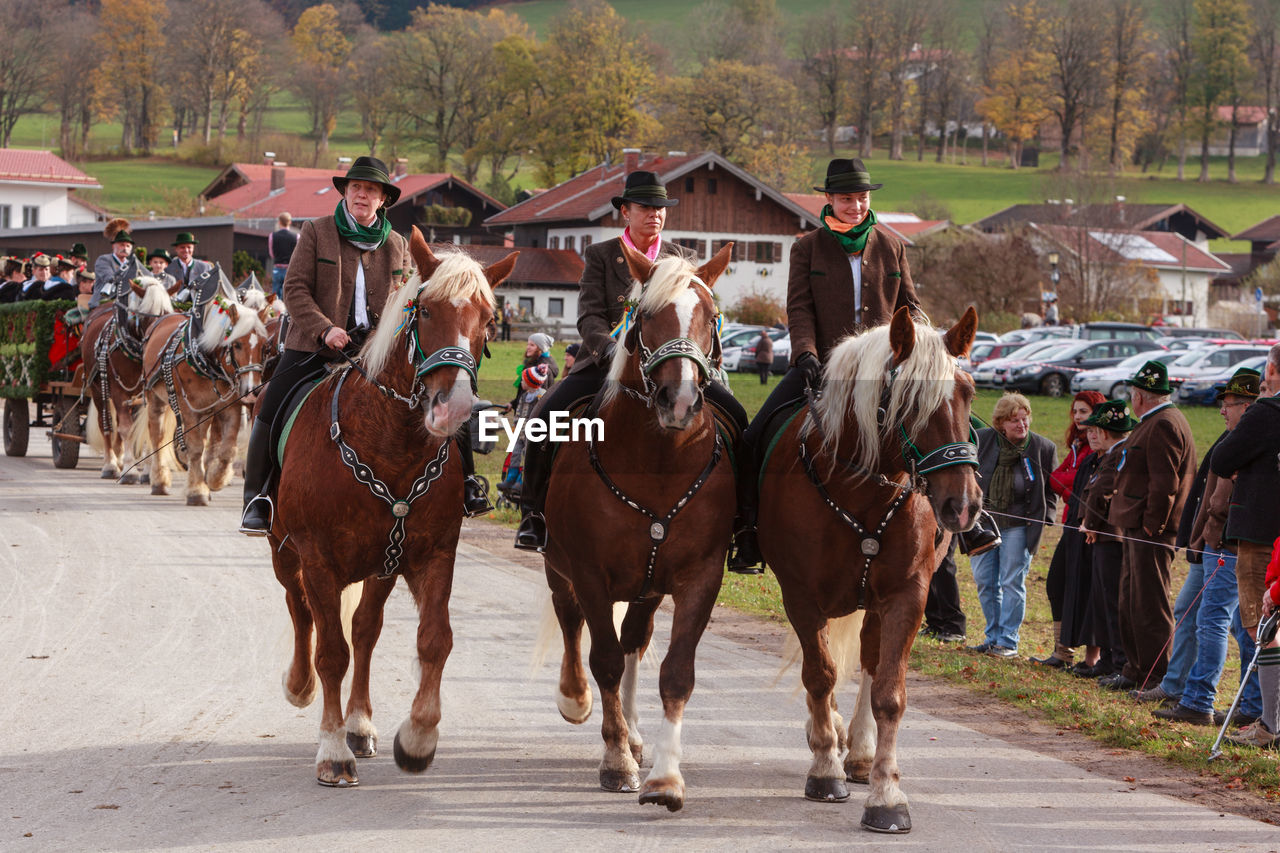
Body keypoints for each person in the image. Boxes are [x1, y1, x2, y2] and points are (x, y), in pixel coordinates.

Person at [513, 170, 748, 551]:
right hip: (608, 364)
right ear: (626, 212)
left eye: (660, 208)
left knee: (738, 419)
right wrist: (609, 350)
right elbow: (589, 315)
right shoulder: (601, 255)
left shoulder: (683, 258)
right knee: (545, 418)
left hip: (672, 365)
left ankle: (743, 523)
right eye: (645, 207)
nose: (654, 214)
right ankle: (533, 514)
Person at [727, 158, 923, 572]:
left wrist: (925, 350)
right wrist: (805, 354)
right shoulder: (807, 247)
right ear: (829, 199)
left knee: (951, 428)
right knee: (753, 436)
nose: (855, 206)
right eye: (847, 199)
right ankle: (748, 532)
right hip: (823, 365)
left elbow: (911, 309)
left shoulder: (892, 246)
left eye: (862, 198)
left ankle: (956, 530)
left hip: (884, 369)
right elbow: (798, 308)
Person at [240, 156, 411, 535]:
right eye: (356, 188)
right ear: (346, 192)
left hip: (376, 354)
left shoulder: (398, 244)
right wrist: (325, 329)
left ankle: (448, 492)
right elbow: (295, 289)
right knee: (271, 403)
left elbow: (404, 299)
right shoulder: (316, 231)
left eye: (370, 190)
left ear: (383, 199)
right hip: (315, 348)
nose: (361, 195)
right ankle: (257, 498)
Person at [1153, 368, 1261, 726]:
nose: (1221, 411)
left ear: (1247, 406)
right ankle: (1212, 696)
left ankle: (1204, 701)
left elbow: (1223, 500)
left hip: (1232, 544)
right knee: (1204, 615)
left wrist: (1210, 531)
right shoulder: (1234, 436)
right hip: (1215, 542)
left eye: (1228, 404)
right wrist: (1199, 538)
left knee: (1221, 620)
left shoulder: (1250, 439)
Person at [1102, 360, 1197, 691]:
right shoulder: (1153, 421)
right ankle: (1136, 668)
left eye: (1132, 392)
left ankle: (1155, 674)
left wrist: (1152, 529)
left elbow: (1165, 484)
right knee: (1131, 599)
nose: (1131, 398)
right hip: (1135, 525)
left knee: (1150, 603)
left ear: (1140, 395)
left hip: (1150, 531)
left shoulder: (1165, 424)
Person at [1213, 345, 1280, 748]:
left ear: (1271, 369)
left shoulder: (1267, 412)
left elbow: (1224, 457)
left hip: (1263, 536)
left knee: (1264, 626)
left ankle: (1270, 724)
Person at [967, 393, 1057, 657]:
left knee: (1011, 582)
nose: (1021, 424)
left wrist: (1045, 517)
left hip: (1019, 525)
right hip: (984, 524)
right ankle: (992, 636)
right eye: (1014, 420)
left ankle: (1008, 641)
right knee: (985, 581)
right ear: (1000, 423)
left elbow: (1050, 491)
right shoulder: (984, 439)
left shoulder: (1042, 447)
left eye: (1025, 418)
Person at [1034, 390, 1105, 668]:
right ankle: (1062, 651)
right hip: (1070, 523)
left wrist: (1068, 484)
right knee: (1057, 583)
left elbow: (1074, 482)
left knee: (1085, 588)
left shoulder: (1094, 448)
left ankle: (1091, 658)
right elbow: (1056, 479)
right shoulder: (1077, 445)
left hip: (1087, 526)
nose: (1077, 418)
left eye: (1083, 412)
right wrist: (1069, 485)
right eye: (1074, 412)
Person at [1077, 399, 1139, 679]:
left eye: (1095, 429)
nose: (1091, 435)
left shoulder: (1118, 454)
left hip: (1110, 536)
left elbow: (1103, 490)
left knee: (1112, 601)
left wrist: (1090, 523)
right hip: (1102, 535)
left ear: (1103, 432)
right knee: (1101, 601)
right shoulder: (1112, 454)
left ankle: (1117, 661)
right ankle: (1106, 659)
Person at [498, 362, 552, 499]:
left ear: (531, 382)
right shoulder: (523, 396)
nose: (521, 382)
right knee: (515, 454)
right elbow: (519, 412)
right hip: (520, 433)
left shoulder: (541, 397)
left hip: (531, 435)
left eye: (523, 380)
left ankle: (522, 481)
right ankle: (511, 478)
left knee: (526, 457)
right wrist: (516, 425)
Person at [91, 219, 137, 307]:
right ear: (113, 246)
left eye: (128, 246)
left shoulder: (132, 263)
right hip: (102, 303)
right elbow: (109, 278)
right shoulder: (103, 260)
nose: (125, 248)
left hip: (126, 303)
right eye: (122, 245)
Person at [268, 212, 298, 298]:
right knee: (288, 294)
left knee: (275, 295)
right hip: (290, 269)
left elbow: (271, 254)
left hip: (277, 267)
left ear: (279, 222)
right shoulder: (296, 236)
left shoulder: (272, 236)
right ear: (290, 222)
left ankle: (275, 311)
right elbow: (297, 254)